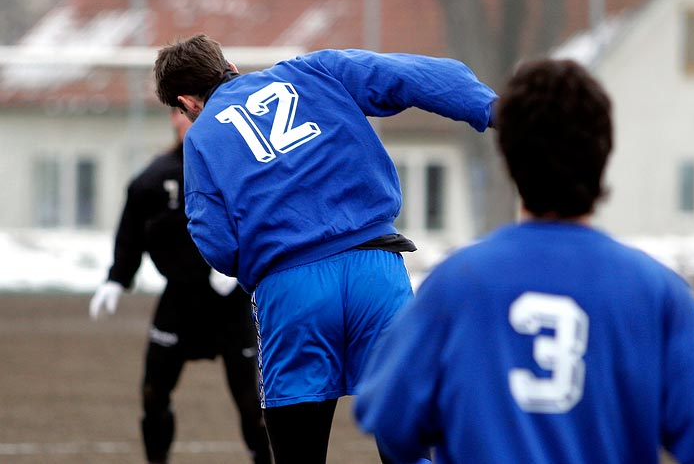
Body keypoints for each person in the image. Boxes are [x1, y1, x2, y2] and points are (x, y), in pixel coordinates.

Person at [152, 33, 498, 464]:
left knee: (299, 451)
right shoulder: (312, 70)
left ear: (188, 102)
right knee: (411, 444)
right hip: (377, 270)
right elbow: (412, 74)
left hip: (291, 289)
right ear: (231, 66)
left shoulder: (201, 138)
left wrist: (256, 266)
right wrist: (492, 108)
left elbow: (214, 238)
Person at [354, 58, 694, 464]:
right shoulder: (658, 293)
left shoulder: (457, 283)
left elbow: (389, 417)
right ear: (604, 154)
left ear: (508, 156)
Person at [89, 108, 272, 464]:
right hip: (179, 303)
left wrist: (238, 268)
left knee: (254, 404)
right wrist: (117, 278)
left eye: (196, 110)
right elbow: (131, 233)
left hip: (232, 307)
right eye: (181, 111)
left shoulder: (242, 169)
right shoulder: (152, 180)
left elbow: (266, 221)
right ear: (174, 118)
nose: (188, 118)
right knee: (153, 393)